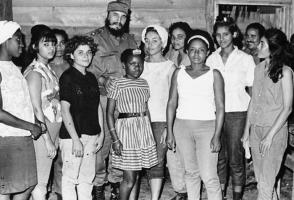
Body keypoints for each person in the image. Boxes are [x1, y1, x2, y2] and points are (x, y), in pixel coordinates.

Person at [87, 1, 137, 199]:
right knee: (102, 144)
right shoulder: (94, 39)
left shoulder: (131, 41)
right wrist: (103, 79)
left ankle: (116, 182)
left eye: (123, 17)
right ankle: (98, 185)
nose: (119, 20)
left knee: (121, 143)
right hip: (102, 99)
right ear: (107, 15)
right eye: (115, 16)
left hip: (125, 101)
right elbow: (86, 70)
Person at [166, 29, 224, 200]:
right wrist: (170, 131)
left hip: (207, 128)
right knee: (190, 173)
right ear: (187, 51)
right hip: (182, 127)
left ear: (207, 53)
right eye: (192, 49)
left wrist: (217, 135)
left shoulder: (215, 74)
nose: (196, 53)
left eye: (201, 50)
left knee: (209, 176)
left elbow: (220, 107)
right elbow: (171, 103)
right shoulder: (179, 72)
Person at [206, 16, 256, 200]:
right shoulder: (211, 59)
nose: (222, 38)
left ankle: (236, 197)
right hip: (215, 113)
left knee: (236, 158)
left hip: (238, 113)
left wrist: (250, 121)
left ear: (234, 34)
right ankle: (219, 196)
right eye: (218, 35)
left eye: (226, 34)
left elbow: (252, 91)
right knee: (218, 157)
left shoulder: (246, 59)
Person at [242, 28, 294, 200]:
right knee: (263, 181)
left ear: (273, 48)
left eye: (262, 43)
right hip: (256, 129)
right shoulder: (258, 69)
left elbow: (287, 108)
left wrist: (270, 136)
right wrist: (246, 133)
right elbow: (253, 102)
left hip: (275, 132)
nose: (258, 46)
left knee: (265, 184)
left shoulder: (286, 72)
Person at [106, 48, 158, 200]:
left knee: (136, 177)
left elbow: (146, 109)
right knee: (129, 179)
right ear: (124, 65)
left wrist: (150, 136)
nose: (137, 67)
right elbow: (109, 113)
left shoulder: (144, 83)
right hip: (126, 132)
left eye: (140, 64)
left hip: (142, 131)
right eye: (132, 64)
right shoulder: (117, 83)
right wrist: (115, 138)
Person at [0, 20, 43, 200]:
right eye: (18, 39)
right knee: (6, 188)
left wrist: (35, 120)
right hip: (7, 138)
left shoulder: (14, 68)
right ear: (4, 40)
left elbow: (20, 103)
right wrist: (30, 126)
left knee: (26, 185)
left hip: (21, 136)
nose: (22, 44)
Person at [58, 35, 104, 200]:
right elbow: (65, 110)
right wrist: (76, 139)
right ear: (71, 55)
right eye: (80, 52)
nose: (86, 56)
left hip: (91, 134)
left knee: (86, 178)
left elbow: (97, 105)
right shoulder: (68, 77)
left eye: (89, 52)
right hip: (73, 137)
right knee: (70, 178)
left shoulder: (91, 78)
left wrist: (101, 132)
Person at [23, 25, 61, 200]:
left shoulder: (49, 70)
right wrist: (47, 140)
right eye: (46, 44)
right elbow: (35, 108)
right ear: (34, 47)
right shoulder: (34, 72)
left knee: (43, 178)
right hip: (42, 133)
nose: (51, 48)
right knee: (40, 183)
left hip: (53, 129)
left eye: (53, 44)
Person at [140, 24, 175, 200]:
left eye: (155, 40)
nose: (150, 44)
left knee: (157, 161)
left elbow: (173, 99)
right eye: (147, 40)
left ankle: (154, 198)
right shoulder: (139, 65)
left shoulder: (170, 67)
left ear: (163, 43)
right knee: (138, 161)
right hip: (139, 119)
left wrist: (169, 126)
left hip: (161, 119)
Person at [49, 28, 70, 200]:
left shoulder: (71, 65)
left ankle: (63, 191)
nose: (59, 47)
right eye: (55, 43)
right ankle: (53, 189)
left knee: (64, 156)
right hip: (52, 117)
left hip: (69, 116)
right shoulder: (46, 66)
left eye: (63, 43)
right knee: (53, 155)